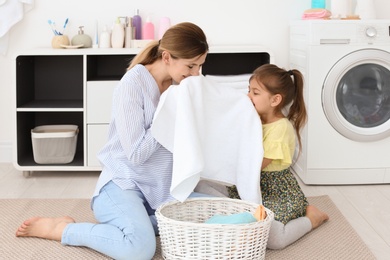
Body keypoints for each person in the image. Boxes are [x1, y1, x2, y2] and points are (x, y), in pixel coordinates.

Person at [15, 22, 209, 260]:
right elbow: (136, 154)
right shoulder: (132, 85)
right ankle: (63, 229)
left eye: (200, 66)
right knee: (139, 250)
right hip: (123, 184)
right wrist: (167, 115)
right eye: (191, 66)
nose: (196, 74)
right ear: (167, 57)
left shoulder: (181, 86)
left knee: (216, 211)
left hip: (161, 189)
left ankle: (140, 224)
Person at [197, 64, 329, 249]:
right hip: (249, 184)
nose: (248, 96)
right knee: (199, 184)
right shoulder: (255, 118)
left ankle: (312, 219)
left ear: (275, 100)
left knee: (274, 240)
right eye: (249, 91)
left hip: (275, 192)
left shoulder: (281, 128)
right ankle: (237, 216)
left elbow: (255, 165)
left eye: (255, 93)